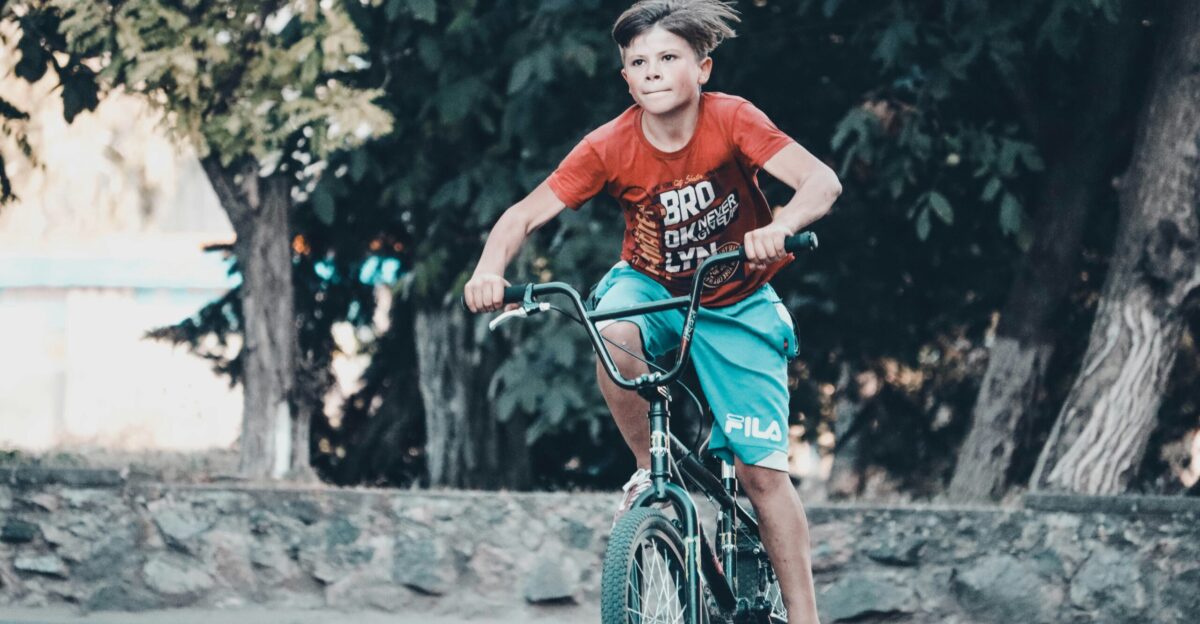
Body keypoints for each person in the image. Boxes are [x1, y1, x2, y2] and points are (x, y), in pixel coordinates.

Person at [464, 0, 839, 620]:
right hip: (651, 286)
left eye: (669, 58)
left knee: (762, 474)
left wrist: (783, 224)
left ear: (703, 70)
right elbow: (522, 215)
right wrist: (489, 269)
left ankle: (804, 615)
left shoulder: (732, 120)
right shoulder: (609, 144)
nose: (654, 71)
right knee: (610, 329)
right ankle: (647, 470)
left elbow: (820, 181)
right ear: (626, 80)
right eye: (639, 62)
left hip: (737, 297)